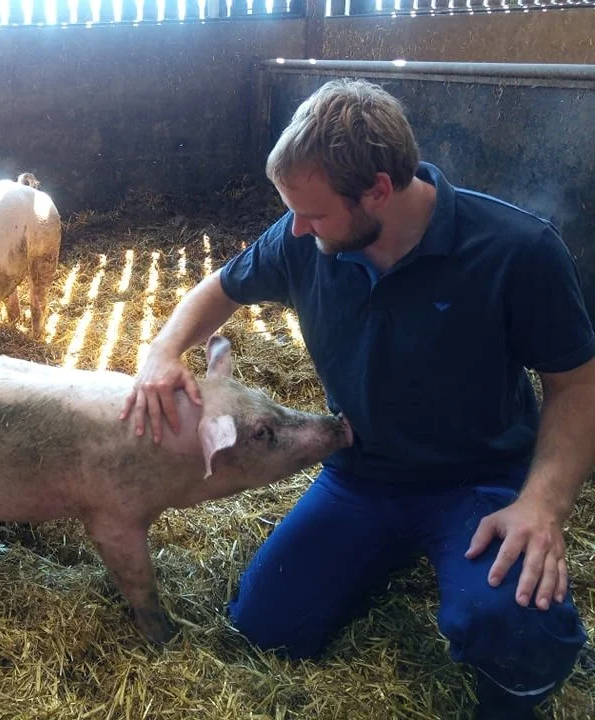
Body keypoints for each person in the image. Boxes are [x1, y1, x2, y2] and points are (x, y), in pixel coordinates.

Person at [120, 79, 594, 719]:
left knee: (517, 630)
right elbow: (217, 290)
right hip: (362, 471)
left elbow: (578, 383)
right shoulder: (303, 239)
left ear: (378, 188)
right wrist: (161, 351)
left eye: (312, 212)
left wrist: (542, 504)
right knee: (266, 626)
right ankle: (399, 553)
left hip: (479, 481)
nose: (296, 227)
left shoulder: (517, 249)